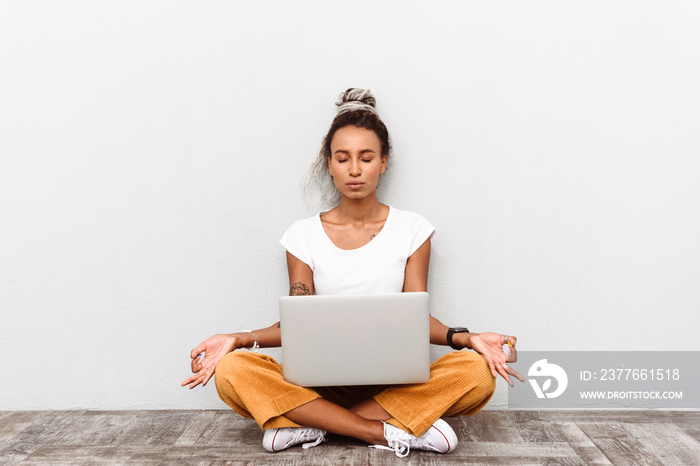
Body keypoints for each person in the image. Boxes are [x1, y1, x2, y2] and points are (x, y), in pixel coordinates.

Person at [181, 88, 524, 458]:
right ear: (329, 164)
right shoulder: (302, 236)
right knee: (232, 370)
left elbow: (415, 318)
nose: (355, 169)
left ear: (384, 162)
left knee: (476, 373)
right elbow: (298, 322)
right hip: (321, 384)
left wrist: (467, 338)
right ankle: (383, 430)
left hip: (394, 385)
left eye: (366, 157)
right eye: (343, 158)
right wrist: (236, 338)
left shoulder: (413, 230)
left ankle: (309, 423)